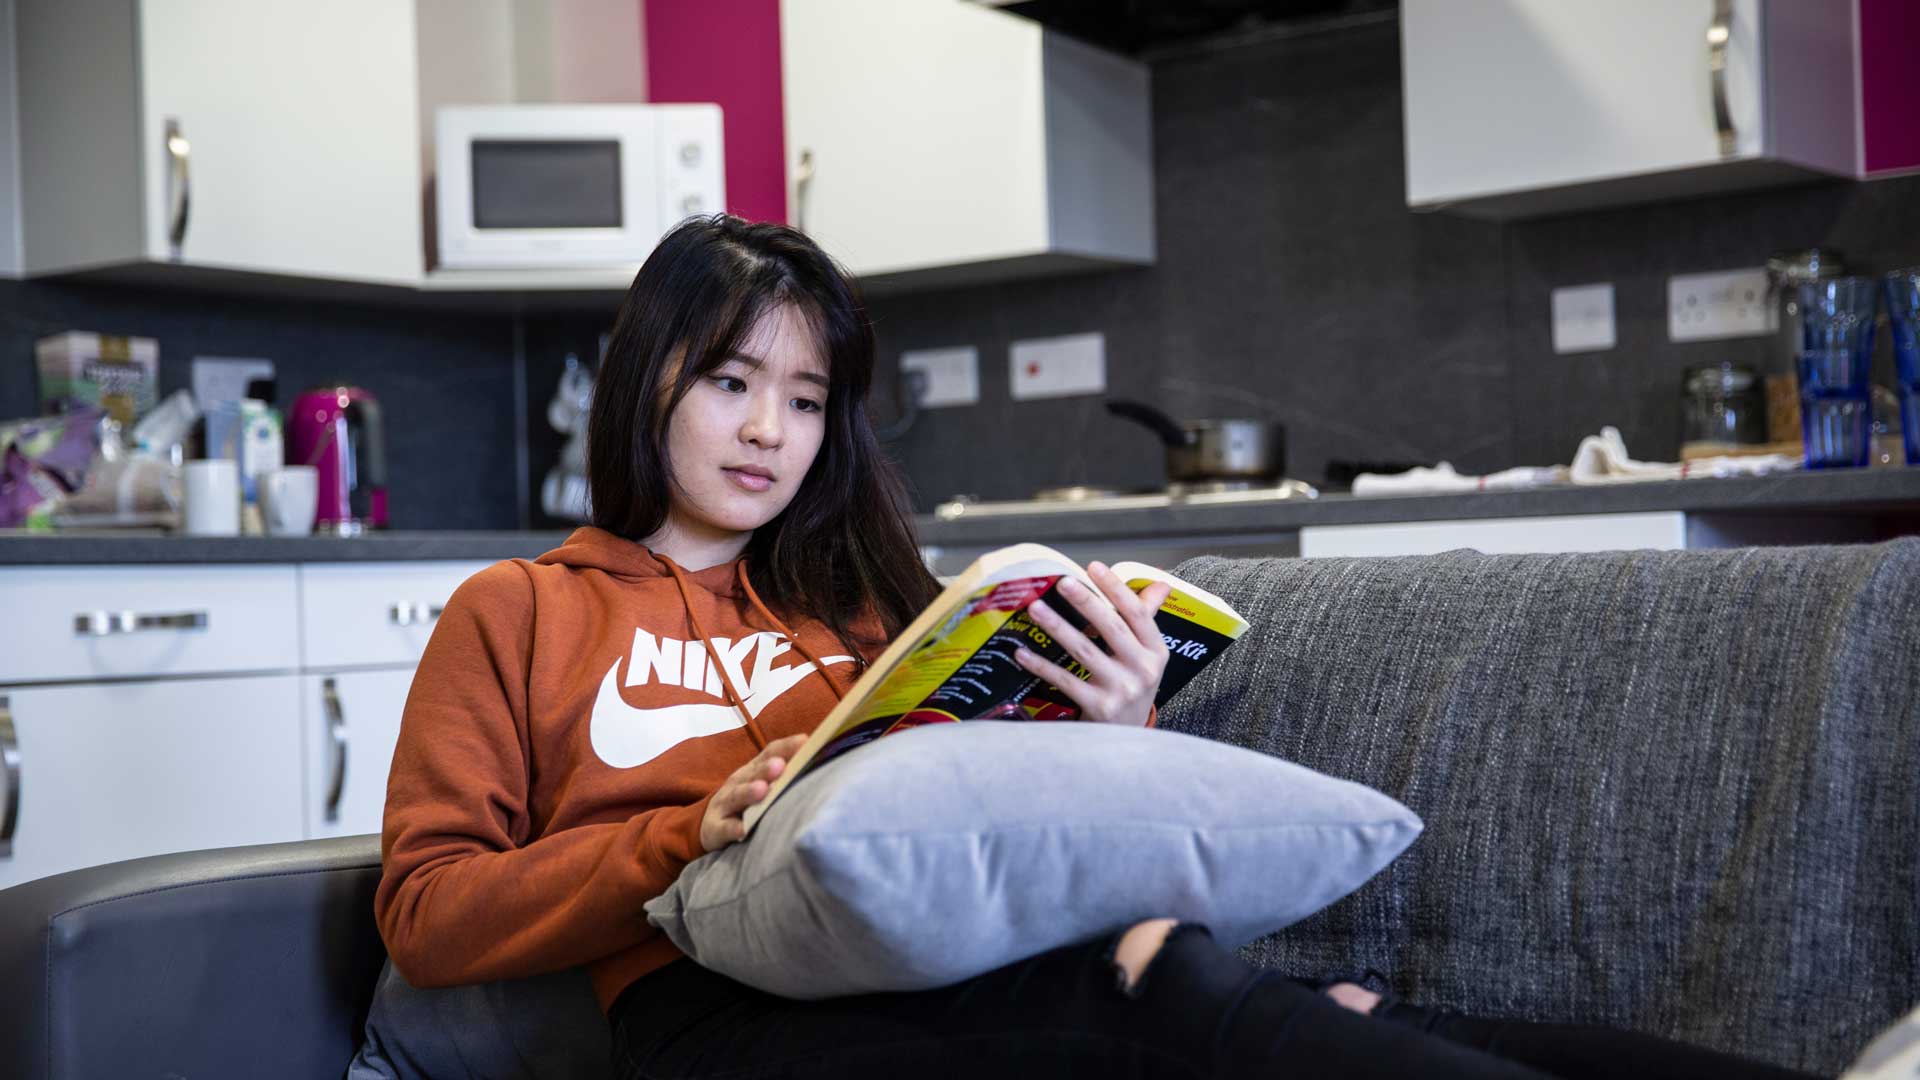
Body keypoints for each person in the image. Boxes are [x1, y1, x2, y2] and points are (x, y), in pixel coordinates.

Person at [376, 215, 1822, 1080]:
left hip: (964, 966)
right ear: (651, 383)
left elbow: (985, 825)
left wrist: (1114, 723)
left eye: (809, 400)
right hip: (725, 1026)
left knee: (1339, 1005)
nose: (770, 432)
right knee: (1162, 985)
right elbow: (429, 915)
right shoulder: (522, 609)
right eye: (734, 381)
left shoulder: (862, 607)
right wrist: (684, 832)